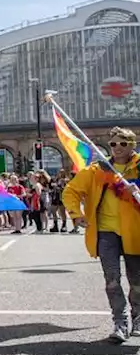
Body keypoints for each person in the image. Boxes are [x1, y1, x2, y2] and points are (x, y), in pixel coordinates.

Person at [63, 127, 140, 343]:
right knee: (112, 280)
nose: (117, 148)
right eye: (113, 144)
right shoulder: (98, 169)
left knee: (137, 281)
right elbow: (71, 191)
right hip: (105, 232)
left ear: (132, 145)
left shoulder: (138, 167)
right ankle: (120, 323)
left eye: (123, 144)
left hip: (135, 232)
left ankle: (138, 317)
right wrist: (76, 214)